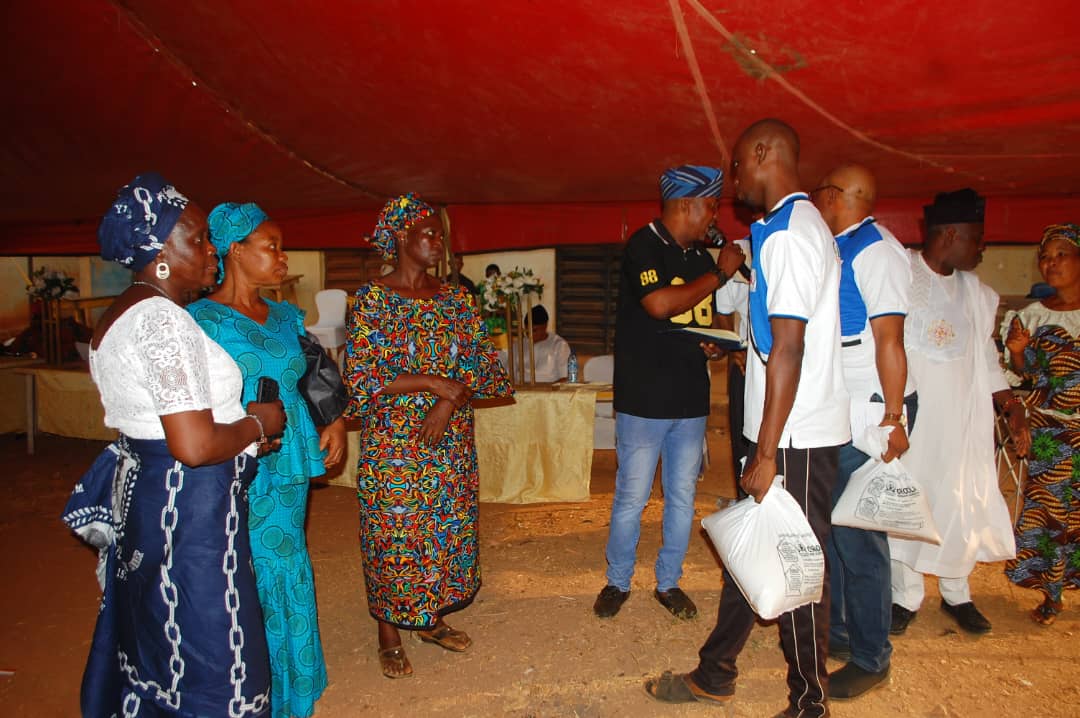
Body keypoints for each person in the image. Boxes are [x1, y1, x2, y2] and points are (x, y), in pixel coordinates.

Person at [645, 119, 849, 718]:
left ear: (763, 153)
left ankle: (810, 704)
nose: (734, 178)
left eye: (737, 164)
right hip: (787, 428)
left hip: (793, 436)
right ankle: (717, 671)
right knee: (754, 546)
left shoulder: (788, 234)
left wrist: (765, 453)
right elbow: (773, 341)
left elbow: (789, 347)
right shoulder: (793, 226)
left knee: (796, 566)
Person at [61, 173, 286, 717]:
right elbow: (193, 444)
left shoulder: (124, 312)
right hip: (189, 511)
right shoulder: (163, 322)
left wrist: (240, 437)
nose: (211, 252)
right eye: (200, 239)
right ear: (161, 251)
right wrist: (257, 425)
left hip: (155, 495)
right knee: (215, 650)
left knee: (163, 634)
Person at [344, 194, 512, 679]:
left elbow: (482, 365)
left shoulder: (456, 298)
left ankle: (429, 618)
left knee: (441, 529)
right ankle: (389, 632)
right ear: (401, 236)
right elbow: (361, 374)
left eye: (440, 234)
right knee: (394, 533)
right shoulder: (372, 300)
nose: (438, 242)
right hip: (394, 443)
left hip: (448, 442)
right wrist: (434, 383)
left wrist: (448, 400)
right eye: (428, 233)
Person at [188, 202, 345, 718]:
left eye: (282, 247)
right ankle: (253, 685)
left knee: (287, 557)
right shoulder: (202, 321)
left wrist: (332, 419)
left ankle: (295, 679)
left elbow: (311, 373)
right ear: (234, 250)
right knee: (247, 567)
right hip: (238, 460)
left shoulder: (283, 316)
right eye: (271, 246)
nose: (282, 257)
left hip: (289, 456)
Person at [593, 164, 745, 621]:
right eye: (711, 207)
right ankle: (618, 581)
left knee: (682, 497)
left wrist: (715, 345)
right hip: (645, 399)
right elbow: (659, 304)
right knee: (632, 498)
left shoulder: (699, 257)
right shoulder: (644, 245)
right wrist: (719, 274)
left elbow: (707, 319)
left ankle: (669, 582)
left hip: (690, 398)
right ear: (686, 205)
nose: (714, 217)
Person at [889, 188, 1031, 636]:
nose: (982, 248)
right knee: (910, 506)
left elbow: (985, 358)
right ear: (950, 234)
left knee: (959, 505)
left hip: (961, 428)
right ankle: (904, 596)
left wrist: (1010, 405)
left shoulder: (977, 294)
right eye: (977, 238)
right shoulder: (899, 275)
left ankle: (957, 594)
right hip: (911, 424)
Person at [811, 163, 916, 699]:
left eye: (818, 195)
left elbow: (889, 340)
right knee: (835, 528)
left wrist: (892, 418)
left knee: (860, 537)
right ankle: (844, 632)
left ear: (834, 196)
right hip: (845, 403)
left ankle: (873, 657)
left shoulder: (876, 250)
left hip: (874, 407)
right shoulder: (841, 246)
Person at [1002, 223, 1080, 625]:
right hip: (1054, 432)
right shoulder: (1030, 317)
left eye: (1061, 255)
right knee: (1053, 514)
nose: (1051, 264)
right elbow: (1022, 381)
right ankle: (1053, 594)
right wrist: (1018, 353)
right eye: (1045, 257)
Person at [713, 236, 751, 488]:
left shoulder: (801, 245)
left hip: (790, 362)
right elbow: (723, 312)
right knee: (743, 443)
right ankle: (744, 499)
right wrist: (734, 346)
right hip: (746, 363)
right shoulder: (739, 252)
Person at [497, 304, 572, 382]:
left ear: (545, 326)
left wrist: (547, 389)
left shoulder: (559, 345)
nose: (530, 334)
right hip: (521, 388)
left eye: (534, 330)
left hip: (549, 388)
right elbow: (509, 374)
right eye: (527, 331)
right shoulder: (518, 345)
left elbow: (565, 378)